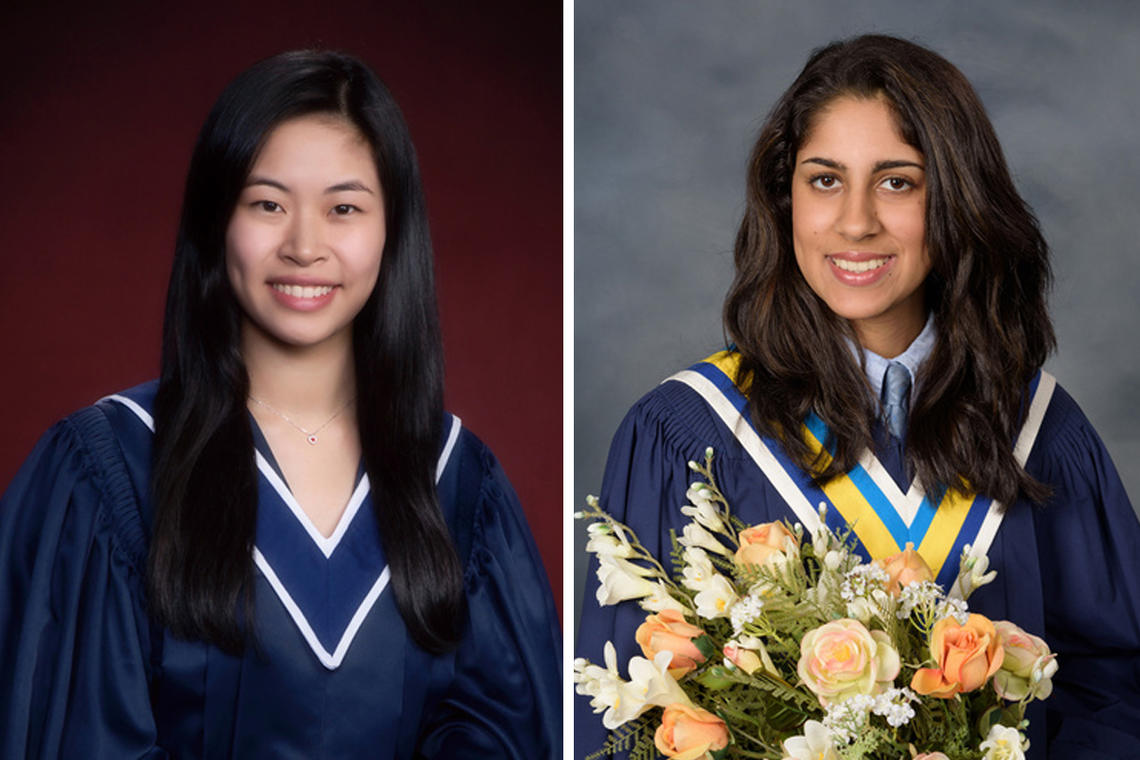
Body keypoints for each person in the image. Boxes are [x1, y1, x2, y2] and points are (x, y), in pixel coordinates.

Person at [576, 34, 1140, 758]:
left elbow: (1114, 691)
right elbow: (624, 725)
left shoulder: (1037, 429)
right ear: (785, 199)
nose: (855, 221)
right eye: (824, 179)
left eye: (897, 181)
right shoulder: (686, 434)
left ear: (956, 199)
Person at [0, 50, 560, 759]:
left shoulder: (458, 483)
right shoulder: (108, 470)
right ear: (217, 222)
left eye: (344, 209)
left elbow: (501, 732)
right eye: (267, 204)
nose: (304, 246)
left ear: (392, 232)